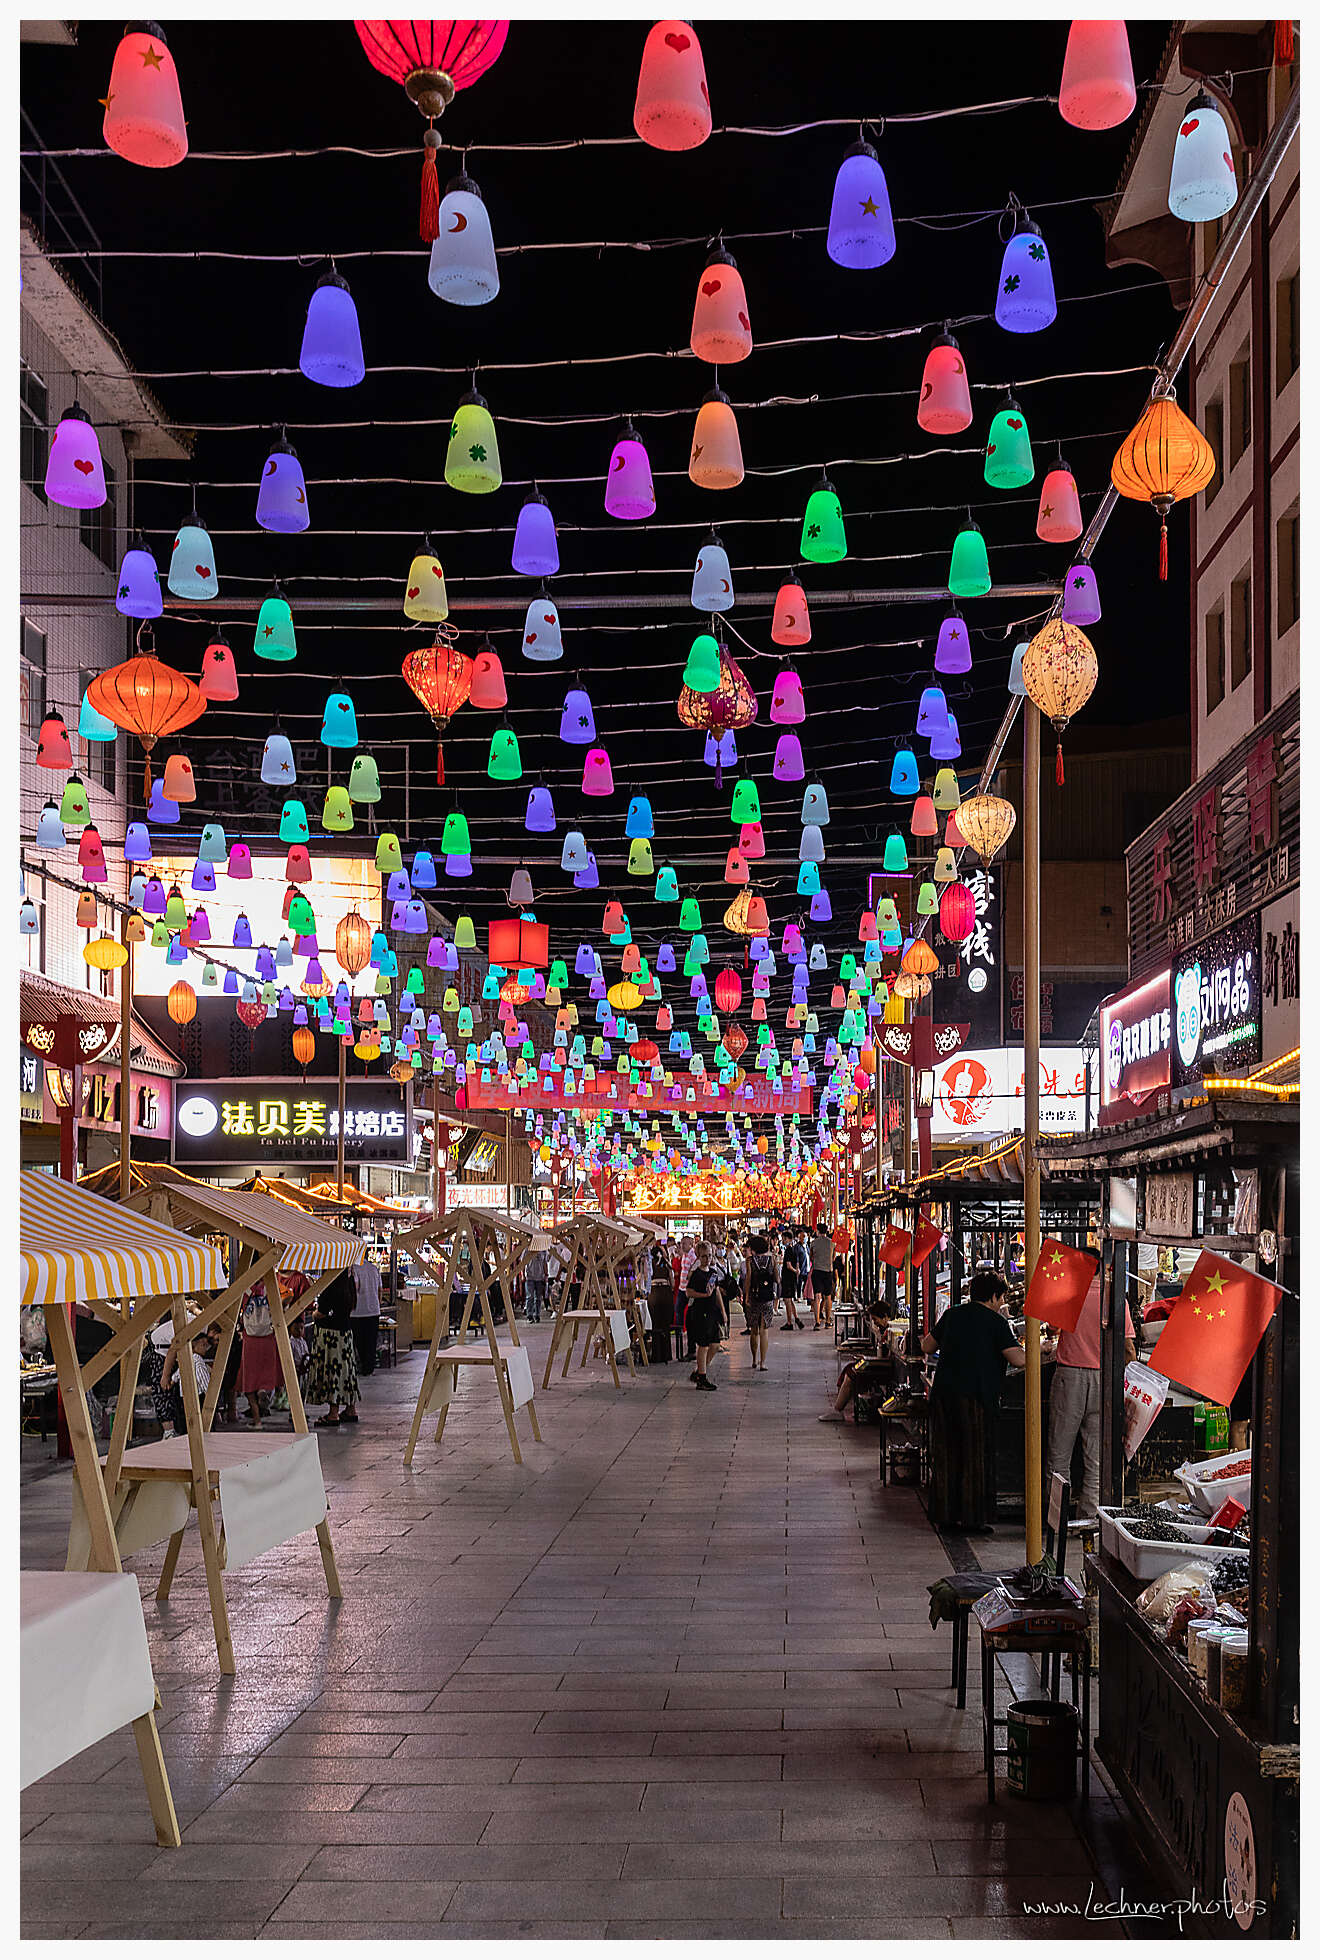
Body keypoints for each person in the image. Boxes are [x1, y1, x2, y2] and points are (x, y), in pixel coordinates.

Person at [921, 1271, 1031, 1534]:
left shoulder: (952, 1315)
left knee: (946, 1455)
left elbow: (926, 1346)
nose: (1001, 1302)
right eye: (1001, 1296)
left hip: (944, 1395)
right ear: (994, 1296)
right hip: (977, 1398)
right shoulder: (996, 1322)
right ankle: (973, 1520)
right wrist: (1040, 1351)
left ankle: (945, 1516)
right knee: (975, 1457)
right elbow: (1018, 1359)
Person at [1046, 1266, 1136, 1521]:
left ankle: (1058, 1519)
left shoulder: (1069, 1293)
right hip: (1104, 1380)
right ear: (1105, 1267)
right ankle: (1089, 1518)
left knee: (1059, 1453)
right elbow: (1128, 1348)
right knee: (1096, 1457)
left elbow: (1051, 1329)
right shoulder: (1114, 1296)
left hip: (1070, 1378)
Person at [306, 1265, 360, 1428]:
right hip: (345, 1334)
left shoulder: (331, 1287)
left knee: (332, 1371)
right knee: (347, 1371)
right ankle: (351, 1409)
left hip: (330, 1337)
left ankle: (333, 1413)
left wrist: (313, 1315)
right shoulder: (349, 1284)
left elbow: (321, 1312)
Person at [819, 1310, 895, 1420]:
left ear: (885, 1317)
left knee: (851, 1374)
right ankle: (840, 1406)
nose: (874, 1322)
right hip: (878, 1363)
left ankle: (838, 1409)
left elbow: (886, 1358)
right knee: (849, 1369)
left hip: (883, 1368)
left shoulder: (890, 1332)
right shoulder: (883, 1331)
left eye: (875, 1319)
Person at [237, 1274, 281, 1429]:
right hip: (268, 1336)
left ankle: (257, 1421)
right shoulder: (271, 1287)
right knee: (266, 1372)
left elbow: (237, 1309)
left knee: (249, 1380)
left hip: (250, 1339)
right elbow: (286, 1300)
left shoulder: (246, 1290)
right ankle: (264, 1391)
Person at [684, 1244, 721, 1391]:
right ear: (699, 1257)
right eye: (704, 1256)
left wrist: (723, 1312)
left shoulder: (713, 1273)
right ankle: (702, 1377)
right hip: (700, 1312)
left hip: (712, 1312)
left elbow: (716, 1291)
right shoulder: (697, 1274)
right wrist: (703, 1295)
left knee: (715, 1345)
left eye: (710, 1255)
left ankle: (698, 1371)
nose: (707, 1259)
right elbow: (688, 1292)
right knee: (703, 1345)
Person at [742, 1233, 777, 1372]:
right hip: (767, 1297)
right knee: (765, 1329)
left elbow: (748, 1279)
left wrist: (746, 1296)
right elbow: (777, 1279)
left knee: (754, 1330)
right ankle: (763, 1362)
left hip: (754, 1297)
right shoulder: (772, 1259)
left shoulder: (750, 1261)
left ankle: (754, 1359)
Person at [350, 1251, 382, 1379]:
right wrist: (377, 1304)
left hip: (358, 1311)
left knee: (359, 1341)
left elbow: (355, 1287)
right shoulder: (374, 1269)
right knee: (371, 1340)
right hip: (373, 1310)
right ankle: (369, 1367)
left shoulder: (354, 1269)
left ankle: (363, 1366)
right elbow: (380, 1289)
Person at [780, 1229, 809, 1329]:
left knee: (787, 1300)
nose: (782, 1241)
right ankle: (796, 1318)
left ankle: (789, 1323)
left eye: (783, 1239)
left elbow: (788, 1265)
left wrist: (795, 1271)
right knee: (790, 1300)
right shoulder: (795, 1248)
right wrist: (797, 1270)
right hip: (792, 1278)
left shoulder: (788, 1249)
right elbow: (797, 1263)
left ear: (788, 1239)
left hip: (787, 1278)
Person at [810, 1225, 837, 1328]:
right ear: (827, 1231)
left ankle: (817, 1322)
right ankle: (827, 1321)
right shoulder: (832, 1243)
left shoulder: (813, 1243)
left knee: (817, 1296)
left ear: (817, 1231)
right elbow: (833, 1258)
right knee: (828, 1296)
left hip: (817, 1271)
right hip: (828, 1271)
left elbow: (811, 1257)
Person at [524, 1244, 549, 1323]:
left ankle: (537, 1315)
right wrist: (522, 1274)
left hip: (540, 1277)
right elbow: (523, 1262)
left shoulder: (543, 1250)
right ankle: (529, 1316)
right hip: (529, 1277)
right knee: (530, 1297)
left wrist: (546, 1274)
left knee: (538, 1298)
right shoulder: (527, 1249)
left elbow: (545, 1263)